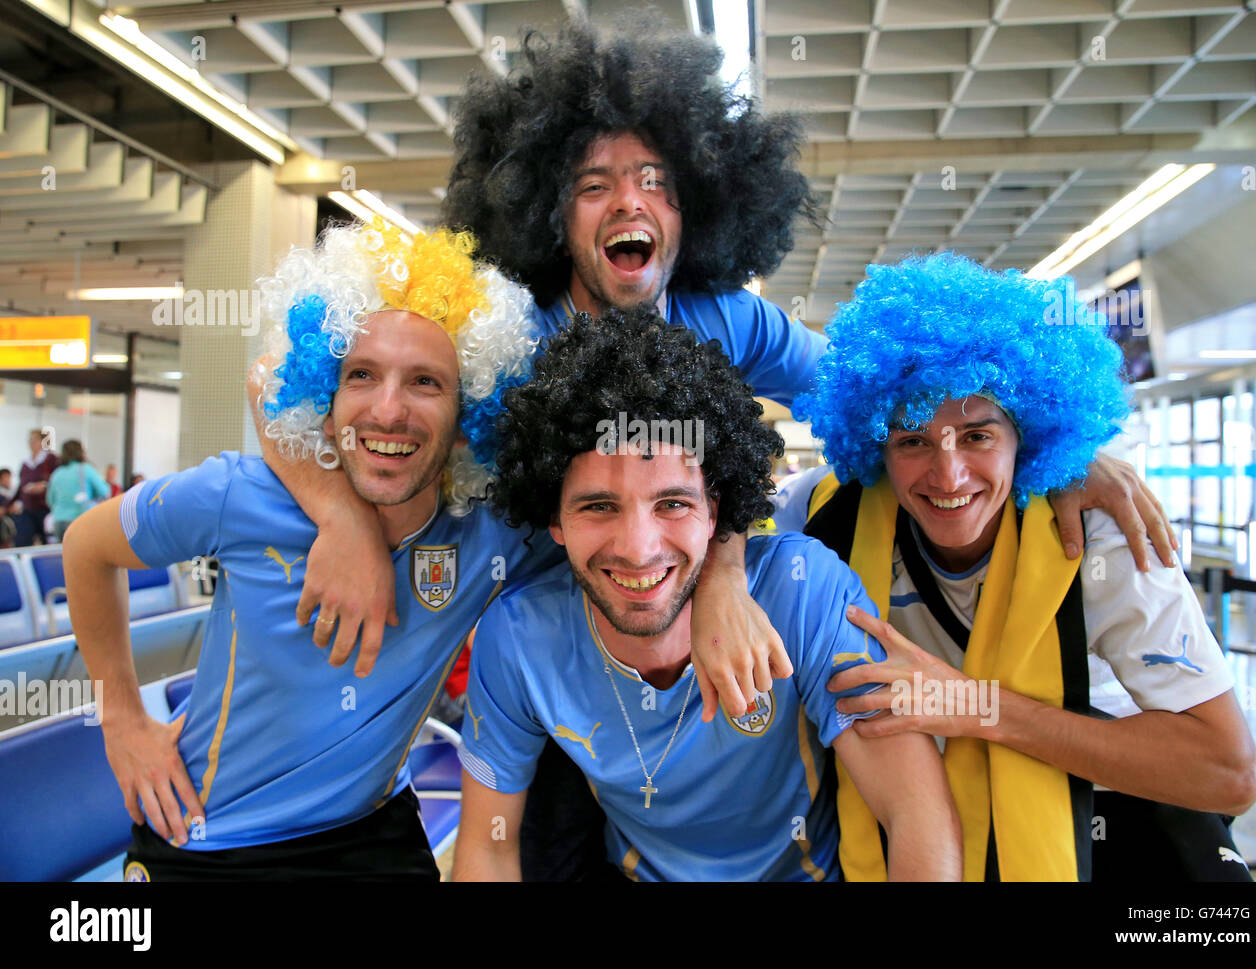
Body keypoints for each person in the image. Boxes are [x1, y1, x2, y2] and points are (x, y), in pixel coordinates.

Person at [257, 16, 1180, 880]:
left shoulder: (724, 320)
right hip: (557, 664)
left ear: (696, 201)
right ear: (549, 213)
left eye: (657, 179)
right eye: (594, 183)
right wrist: (340, 515)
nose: (631, 199)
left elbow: (887, 393)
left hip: (694, 637)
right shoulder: (506, 339)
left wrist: (1056, 446)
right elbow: (283, 387)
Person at [63, 222, 549, 880]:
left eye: (426, 383)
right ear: (324, 396)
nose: (388, 410)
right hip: (207, 840)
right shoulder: (239, 494)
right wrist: (120, 715)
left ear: (471, 414)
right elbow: (86, 547)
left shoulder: (488, 534)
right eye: (360, 374)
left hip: (374, 833)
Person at [781, 253, 1256, 881]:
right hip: (933, 821)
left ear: (1027, 437)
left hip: (1114, 817)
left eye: (978, 436)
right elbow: (708, 528)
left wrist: (982, 708)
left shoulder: (1100, 540)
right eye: (913, 440)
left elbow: (1230, 774)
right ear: (875, 445)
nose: (948, 475)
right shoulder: (825, 518)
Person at [453, 306, 961, 881]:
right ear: (554, 521)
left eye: (672, 504)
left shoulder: (803, 592)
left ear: (716, 512)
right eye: (598, 506)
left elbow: (915, 811)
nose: (638, 549)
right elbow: (489, 849)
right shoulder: (519, 636)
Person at [46, 440, 111, 542]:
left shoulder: (57, 473)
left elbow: (50, 501)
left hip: (59, 521)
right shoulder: (86, 469)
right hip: (80, 519)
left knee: (64, 555)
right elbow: (104, 491)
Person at [15, 428, 58, 545]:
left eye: (35, 439)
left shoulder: (51, 459)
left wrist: (44, 486)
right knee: (22, 540)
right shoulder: (25, 463)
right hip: (28, 508)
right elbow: (21, 486)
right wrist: (14, 502)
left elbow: (57, 481)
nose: (31, 442)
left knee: (47, 542)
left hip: (46, 508)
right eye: (30, 439)